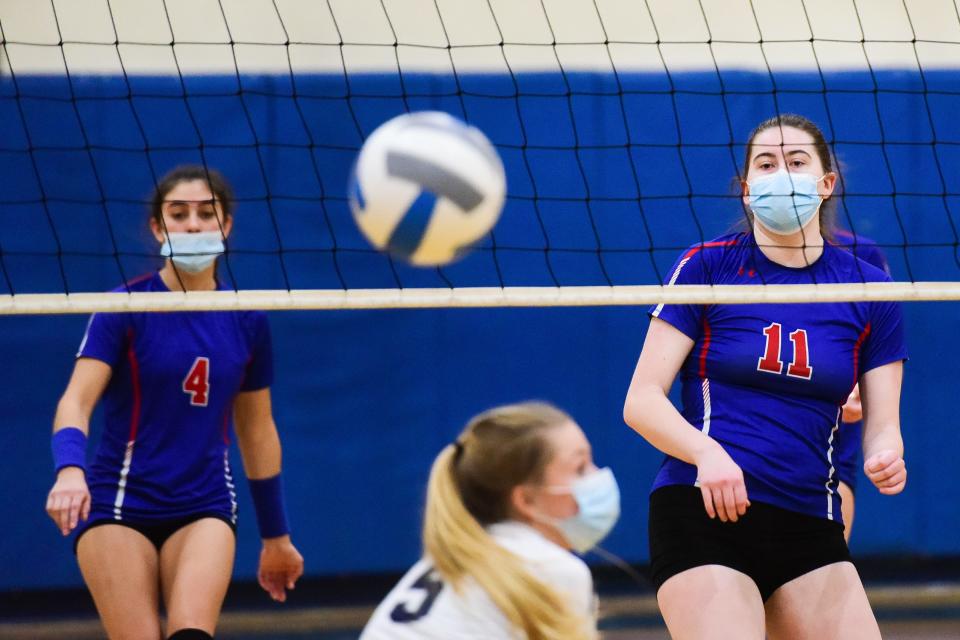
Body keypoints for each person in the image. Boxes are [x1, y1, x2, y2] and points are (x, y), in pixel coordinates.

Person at [623, 114, 907, 639]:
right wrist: (706, 454)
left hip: (808, 517)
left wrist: (884, 455)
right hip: (704, 507)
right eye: (767, 163)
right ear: (748, 187)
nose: (782, 174)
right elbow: (641, 401)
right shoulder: (706, 268)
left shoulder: (870, 288)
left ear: (826, 184)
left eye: (797, 162)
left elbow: (883, 424)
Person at [44, 165, 304, 640]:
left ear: (225, 227)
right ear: (157, 228)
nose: (192, 225)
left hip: (204, 503)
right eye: (178, 214)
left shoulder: (247, 318)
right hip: (119, 503)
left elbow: (258, 431)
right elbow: (75, 401)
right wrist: (69, 469)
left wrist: (276, 536)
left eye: (207, 214)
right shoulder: (125, 306)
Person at [361, 401, 620, 640]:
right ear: (526, 500)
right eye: (580, 467)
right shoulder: (551, 568)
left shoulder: (443, 563)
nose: (597, 477)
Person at [832, 229, 892, 541]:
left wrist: (857, 387)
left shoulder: (862, 256)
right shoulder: (720, 259)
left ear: (829, 182)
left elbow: (879, 350)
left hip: (829, 443)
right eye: (766, 173)